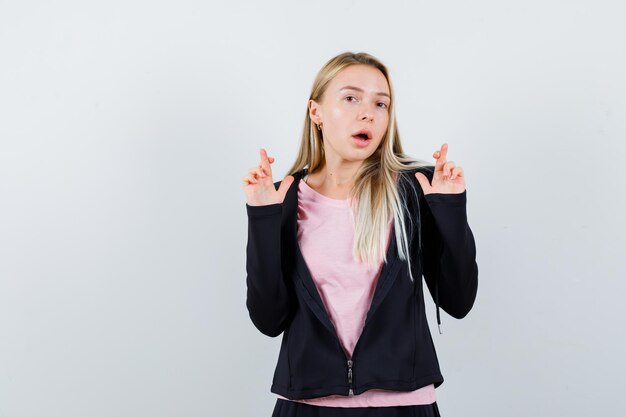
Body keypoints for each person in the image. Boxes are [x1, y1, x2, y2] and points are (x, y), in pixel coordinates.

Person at [241, 52, 478, 417]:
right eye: (350, 98)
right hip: (306, 404)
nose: (368, 112)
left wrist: (449, 208)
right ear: (316, 112)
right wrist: (262, 216)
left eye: (380, 103)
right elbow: (268, 319)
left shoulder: (417, 190)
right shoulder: (281, 200)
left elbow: (458, 301)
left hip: (403, 405)